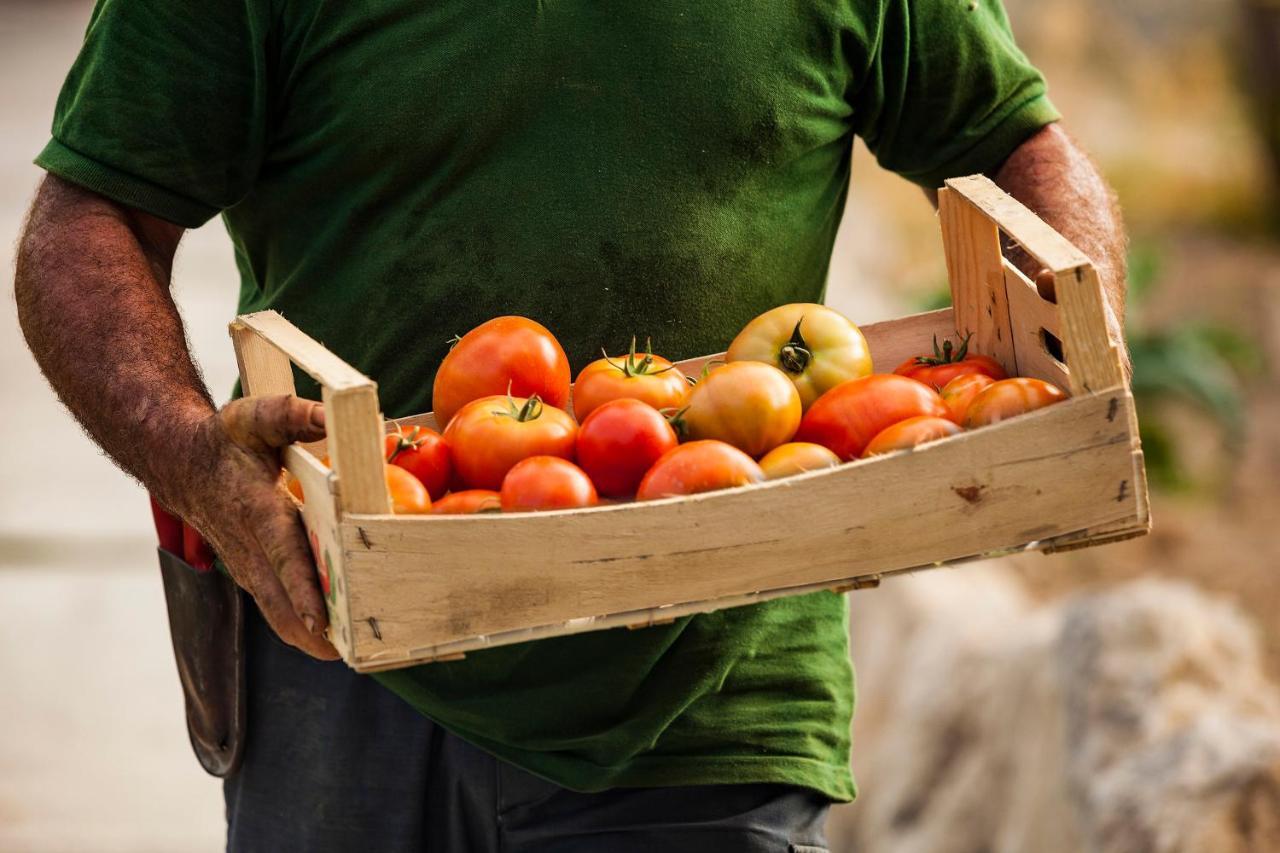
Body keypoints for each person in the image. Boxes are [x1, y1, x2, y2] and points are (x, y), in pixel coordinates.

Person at [15, 0, 1127, 850]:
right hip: (338, 647)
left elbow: (1014, 142)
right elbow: (87, 221)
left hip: (711, 685)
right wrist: (199, 462)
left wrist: (1067, 334)